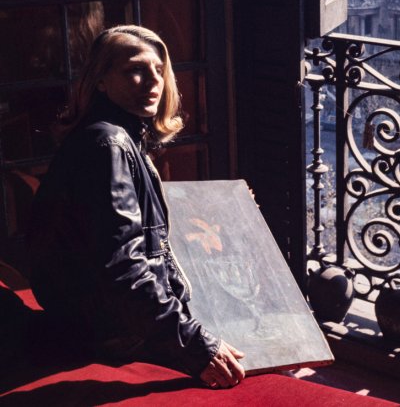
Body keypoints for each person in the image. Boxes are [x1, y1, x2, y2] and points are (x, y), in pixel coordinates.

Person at [28, 25, 245, 389]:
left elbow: (141, 233)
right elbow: (123, 268)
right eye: (135, 70)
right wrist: (195, 346)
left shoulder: (117, 137)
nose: (153, 82)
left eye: (159, 70)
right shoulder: (108, 143)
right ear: (100, 80)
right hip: (113, 335)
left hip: (110, 323)